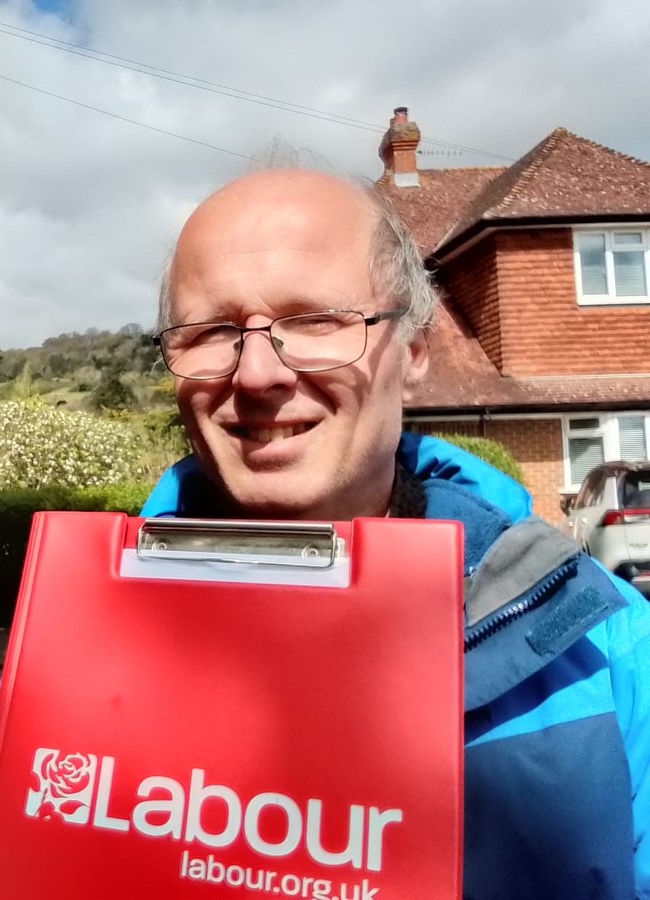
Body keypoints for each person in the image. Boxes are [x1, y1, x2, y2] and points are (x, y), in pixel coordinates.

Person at [142, 168, 650, 899]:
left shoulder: (605, 646)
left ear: (414, 352)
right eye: (213, 331)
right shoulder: (73, 642)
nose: (256, 373)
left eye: (315, 320)